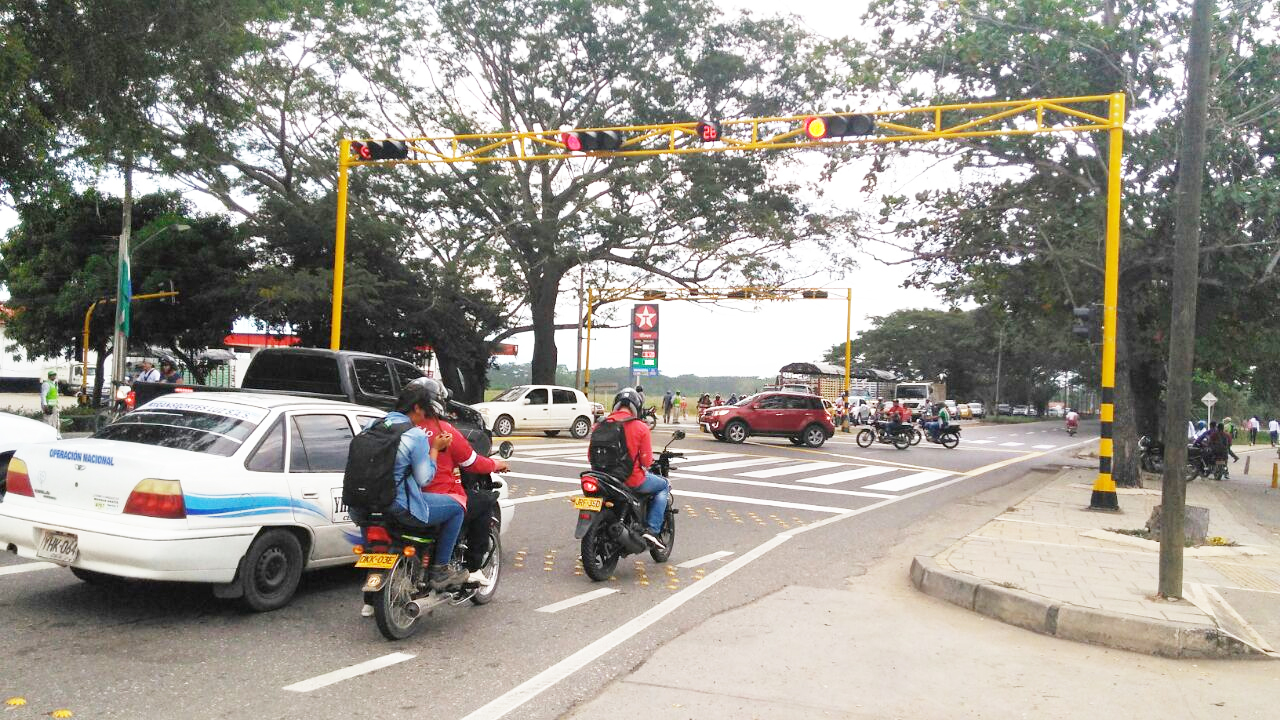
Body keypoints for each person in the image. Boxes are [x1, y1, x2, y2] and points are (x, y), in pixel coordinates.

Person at [351, 382, 464, 590]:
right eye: (426, 412)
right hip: (396, 505)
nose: (425, 418)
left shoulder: (372, 426)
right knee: (457, 508)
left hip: (361, 506)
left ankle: (371, 596)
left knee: (376, 546)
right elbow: (424, 479)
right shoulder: (414, 435)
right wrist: (435, 450)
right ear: (417, 408)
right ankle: (440, 569)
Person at [405, 378, 509, 583]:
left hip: (403, 496)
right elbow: (472, 463)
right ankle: (471, 567)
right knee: (483, 502)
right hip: (436, 497)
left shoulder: (401, 427)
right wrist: (496, 464)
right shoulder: (445, 431)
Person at [590, 388, 670, 550]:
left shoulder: (600, 425)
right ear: (637, 407)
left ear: (616, 405)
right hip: (630, 479)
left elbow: (590, 456)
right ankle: (652, 530)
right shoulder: (640, 427)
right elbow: (646, 462)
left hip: (601, 478)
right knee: (663, 485)